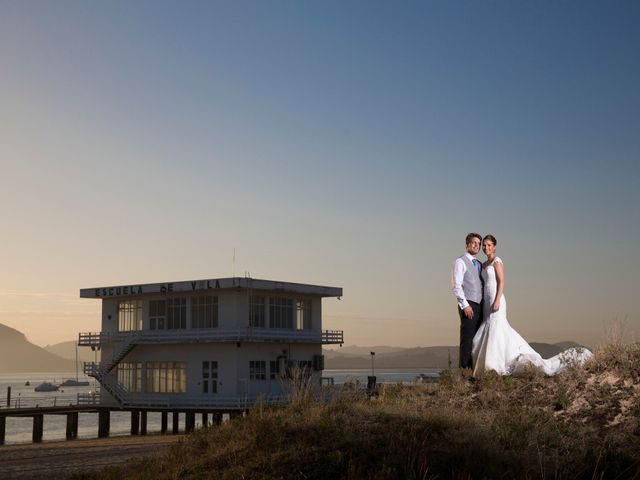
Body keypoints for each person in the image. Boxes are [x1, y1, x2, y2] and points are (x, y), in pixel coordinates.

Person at [472, 234, 592, 377]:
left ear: (495, 246)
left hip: (496, 301)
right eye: (484, 245)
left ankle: (495, 366)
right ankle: (489, 366)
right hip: (487, 302)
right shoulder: (484, 265)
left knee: (496, 329)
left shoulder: (497, 262)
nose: (486, 248)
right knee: (489, 329)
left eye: (489, 245)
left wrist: (497, 300)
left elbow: (502, 282)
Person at [452, 232, 484, 369]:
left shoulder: (480, 264)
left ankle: (474, 371)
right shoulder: (460, 261)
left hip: (480, 305)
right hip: (468, 304)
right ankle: (464, 373)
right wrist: (465, 305)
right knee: (467, 340)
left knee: (477, 340)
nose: (476, 246)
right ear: (467, 245)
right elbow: (456, 286)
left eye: (478, 243)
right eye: (473, 243)